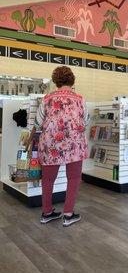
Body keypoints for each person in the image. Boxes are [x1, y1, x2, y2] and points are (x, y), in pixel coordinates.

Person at [36, 66, 89, 226]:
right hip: (74, 144)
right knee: (73, 178)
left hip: (50, 144)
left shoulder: (46, 99)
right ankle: (68, 214)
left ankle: (47, 212)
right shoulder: (80, 99)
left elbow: (38, 122)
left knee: (47, 179)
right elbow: (85, 121)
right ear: (72, 80)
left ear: (56, 81)